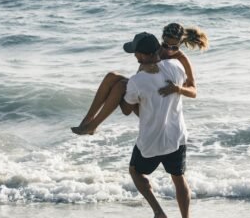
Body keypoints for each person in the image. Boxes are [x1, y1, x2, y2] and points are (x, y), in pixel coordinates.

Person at [71, 23, 208, 135]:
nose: (168, 51)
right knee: (111, 77)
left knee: (121, 85)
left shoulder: (182, 60)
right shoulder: (157, 50)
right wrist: (145, 67)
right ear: (162, 40)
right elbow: (140, 74)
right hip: (145, 95)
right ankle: (88, 121)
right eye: (165, 45)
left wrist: (177, 88)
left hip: (157, 108)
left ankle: (94, 125)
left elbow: (194, 91)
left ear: (181, 44)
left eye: (174, 47)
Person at [120, 32, 193, 218]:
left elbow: (127, 109)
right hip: (176, 137)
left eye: (135, 53)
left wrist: (120, 91)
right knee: (179, 179)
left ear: (142, 56)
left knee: (135, 171)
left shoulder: (136, 81)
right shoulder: (177, 68)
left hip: (150, 141)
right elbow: (186, 85)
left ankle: (158, 211)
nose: (134, 57)